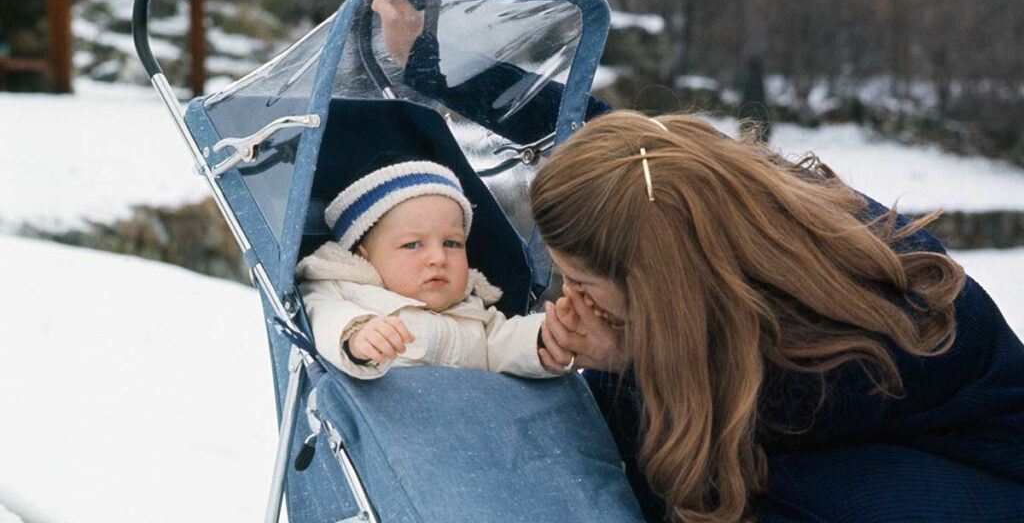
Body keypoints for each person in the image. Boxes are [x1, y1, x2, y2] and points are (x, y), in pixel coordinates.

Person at [531, 111, 1024, 522]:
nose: (568, 292)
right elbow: (626, 155)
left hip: (984, 471)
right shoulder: (696, 188)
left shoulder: (821, 362)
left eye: (581, 282)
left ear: (658, 285)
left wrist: (627, 359)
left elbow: (706, 480)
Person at [296, 159, 566, 380]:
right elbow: (320, 314)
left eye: (452, 243)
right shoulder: (342, 288)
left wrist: (545, 337)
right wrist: (355, 336)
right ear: (363, 256)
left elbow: (502, 342)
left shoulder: (473, 312)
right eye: (412, 244)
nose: (438, 258)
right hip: (387, 431)